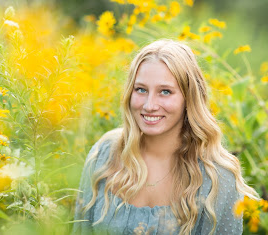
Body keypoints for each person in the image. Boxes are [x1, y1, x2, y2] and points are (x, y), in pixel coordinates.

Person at [73, 39, 258, 235]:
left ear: (189, 98)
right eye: (141, 89)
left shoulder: (217, 178)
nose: (149, 105)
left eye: (165, 92)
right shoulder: (104, 154)